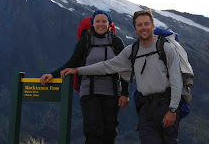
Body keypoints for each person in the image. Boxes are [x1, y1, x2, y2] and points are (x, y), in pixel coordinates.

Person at [61, 10, 183, 144]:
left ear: (153, 26)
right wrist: (78, 70)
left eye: (146, 24)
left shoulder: (166, 48)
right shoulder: (132, 50)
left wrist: (172, 109)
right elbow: (106, 66)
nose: (143, 28)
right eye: (140, 25)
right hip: (145, 106)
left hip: (166, 103)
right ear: (135, 29)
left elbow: (177, 80)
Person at [40, 10, 129, 144]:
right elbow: (73, 62)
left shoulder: (116, 42)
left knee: (109, 131)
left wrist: (125, 93)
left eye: (104, 21)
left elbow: (124, 67)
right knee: (92, 130)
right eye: (97, 21)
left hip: (112, 92)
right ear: (92, 24)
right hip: (89, 92)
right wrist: (53, 74)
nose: (101, 24)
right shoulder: (85, 41)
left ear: (109, 24)